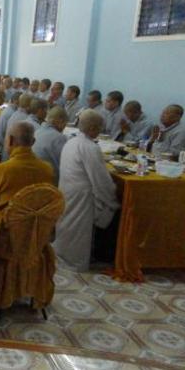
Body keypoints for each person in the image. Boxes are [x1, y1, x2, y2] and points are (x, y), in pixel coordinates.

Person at [53, 110, 119, 272]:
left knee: (67, 223)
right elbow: (100, 179)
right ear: (92, 128)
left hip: (67, 189)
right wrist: (113, 197)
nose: (100, 131)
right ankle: (75, 261)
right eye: (99, 127)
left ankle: (62, 253)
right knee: (79, 228)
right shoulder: (89, 147)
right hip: (82, 194)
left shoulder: (71, 141)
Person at [0, 122, 54, 211]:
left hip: (7, 219)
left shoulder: (3, 170)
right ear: (33, 142)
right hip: (37, 219)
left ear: (10, 140)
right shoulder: (47, 169)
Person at [32, 106, 69, 183]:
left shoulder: (37, 131)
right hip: (48, 180)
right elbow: (64, 163)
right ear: (60, 121)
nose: (64, 128)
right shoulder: (59, 137)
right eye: (65, 124)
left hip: (34, 175)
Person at [0, 91, 21, 158]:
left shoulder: (11, 111)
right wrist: (7, 145)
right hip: (5, 146)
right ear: (16, 101)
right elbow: (1, 133)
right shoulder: (9, 113)